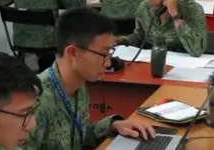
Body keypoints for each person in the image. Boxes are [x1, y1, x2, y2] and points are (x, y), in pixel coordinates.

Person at [23, 8, 155, 149]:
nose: (108, 63)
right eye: (103, 53)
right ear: (73, 52)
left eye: (109, 53)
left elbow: (79, 134)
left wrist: (114, 125)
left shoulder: (78, 86)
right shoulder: (33, 101)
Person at [120, 0, 207, 57]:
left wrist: (176, 16)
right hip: (153, 63)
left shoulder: (192, 9)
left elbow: (197, 50)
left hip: (184, 66)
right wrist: (122, 40)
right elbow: (139, 39)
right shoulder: (143, 8)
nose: (149, 0)